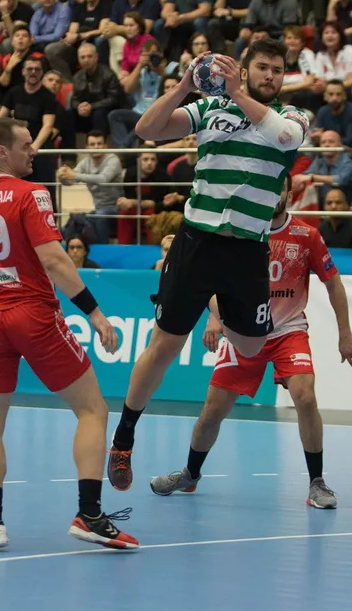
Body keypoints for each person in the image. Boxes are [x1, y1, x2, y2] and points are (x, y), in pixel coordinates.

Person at [106, 39, 309, 491]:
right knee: (164, 347)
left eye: (277, 69)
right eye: (262, 67)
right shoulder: (211, 108)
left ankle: (212, 304)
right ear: (245, 69)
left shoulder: (292, 117)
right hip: (196, 242)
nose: (270, 75)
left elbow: (286, 139)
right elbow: (147, 129)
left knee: (252, 347)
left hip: (247, 251)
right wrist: (183, 87)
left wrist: (237, 92)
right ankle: (123, 439)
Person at [0, 118, 138, 552]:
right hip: (32, 314)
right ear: (1, 152)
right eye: (26, 145)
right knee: (92, 410)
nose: (33, 150)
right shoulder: (31, 193)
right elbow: (54, 259)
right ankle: (90, 515)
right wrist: (94, 312)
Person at [148, 176, 352, 507]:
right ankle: (190, 474)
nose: (275, 194)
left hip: (288, 330)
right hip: (244, 330)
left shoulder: (307, 235)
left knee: (305, 397)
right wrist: (216, 318)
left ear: (289, 193)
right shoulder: (240, 232)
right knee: (212, 412)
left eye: (281, 189)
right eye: (270, 188)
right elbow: (210, 281)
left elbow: (333, 284)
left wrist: (344, 334)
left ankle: (317, 483)